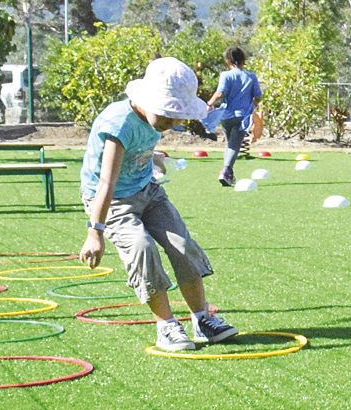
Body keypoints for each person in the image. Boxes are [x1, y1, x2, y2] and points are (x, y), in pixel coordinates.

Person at [78, 57, 241, 353]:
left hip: (147, 190)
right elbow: (106, 183)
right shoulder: (119, 124)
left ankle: (202, 319)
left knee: (182, 245)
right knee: (141, 248)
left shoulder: (153, 119)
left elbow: (140, 145)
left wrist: (151, 158)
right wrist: (95, 232)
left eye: (177, 116)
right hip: (111, 201)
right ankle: (166, 326)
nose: (173, 122)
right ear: (147, 100)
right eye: (168, 115)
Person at [205, 46, 262, 188]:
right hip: (243, 116)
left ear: (228, 61)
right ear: (243, 60)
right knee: (234, 145)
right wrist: (252, 105)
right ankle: (226, 171)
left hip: (226, 115)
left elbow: (220, 93)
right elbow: (258, 96)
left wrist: (209, 105)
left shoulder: (226, 75)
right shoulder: (251, 76)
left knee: (229, 144)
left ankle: (228, 173)